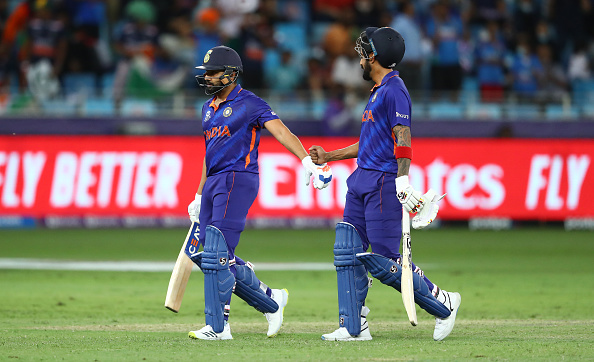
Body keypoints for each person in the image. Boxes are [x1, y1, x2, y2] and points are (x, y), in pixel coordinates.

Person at [309, 26, 461, 342]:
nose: (359, 59)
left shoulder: (394, 90)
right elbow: (366, 143)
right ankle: (353, 327)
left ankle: (443, 302)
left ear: (373, 57)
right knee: (346, 249)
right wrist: (329, 156)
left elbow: (403, 137)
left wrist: (402, 179)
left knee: (385, 262)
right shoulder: (378, 90)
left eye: (363, 53)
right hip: (361, 179)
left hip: (381, 182)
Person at [186, 45, 332, 340]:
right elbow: (208, 153)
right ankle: (270, 300)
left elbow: (281, 131)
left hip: (238, 179)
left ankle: (218, 327)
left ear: (231, 74)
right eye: (207, 74)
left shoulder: (250, 103)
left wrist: (305, 160)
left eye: (214, 73)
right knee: (207, 254)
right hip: (214, 181)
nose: (208, 78)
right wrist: (199, 193)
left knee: (216, 253)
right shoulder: (207, 108)